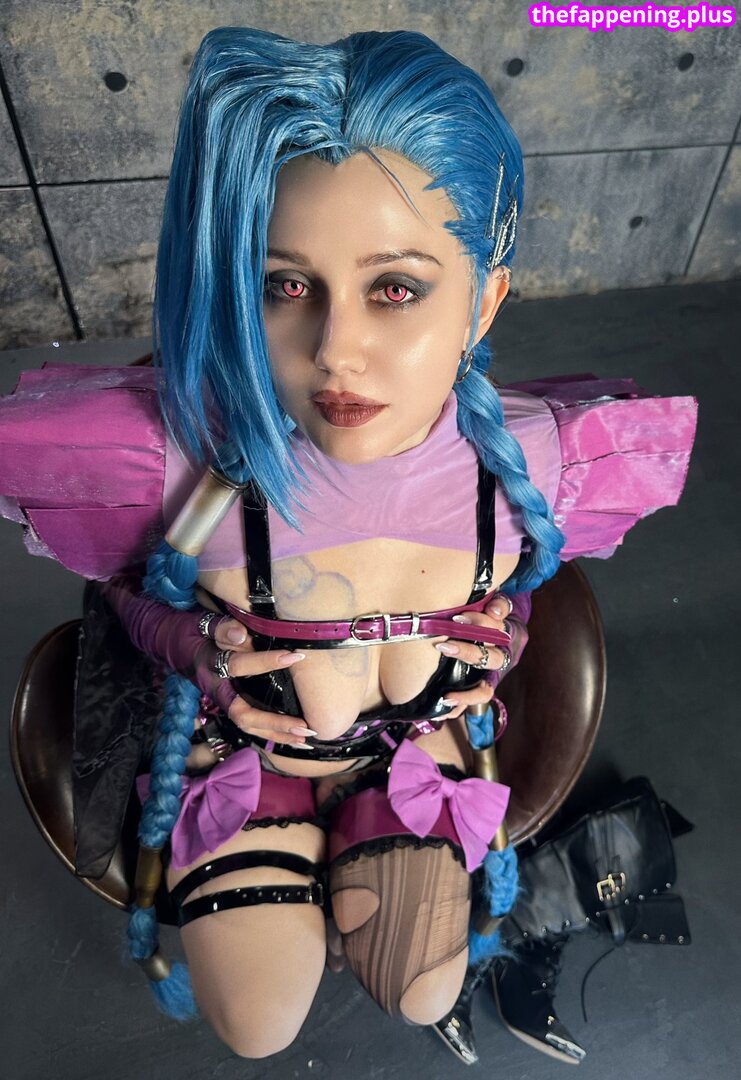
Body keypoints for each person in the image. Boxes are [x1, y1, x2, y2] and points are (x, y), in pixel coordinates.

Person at [0, 27, 697, 1061]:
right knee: (259, 1021)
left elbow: (527, 589)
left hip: (412, 758)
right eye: (287, 285)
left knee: (418, 990)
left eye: (395, 289)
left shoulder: (543, 468)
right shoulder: (170, 466)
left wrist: (499, 640)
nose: (335, 352)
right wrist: (191, 646)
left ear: (484, 300)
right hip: (245, 758)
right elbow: (124, 595)